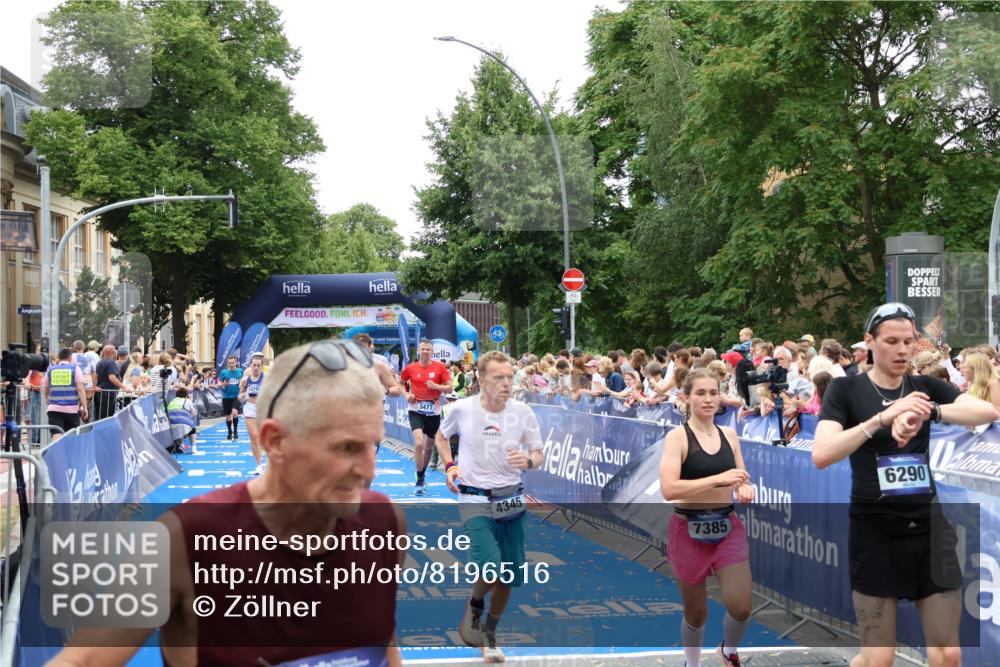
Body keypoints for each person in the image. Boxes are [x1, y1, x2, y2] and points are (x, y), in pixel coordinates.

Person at [47, 340, 405, 667]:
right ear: (274, 441)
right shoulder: (184, 539)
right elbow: (82, 660)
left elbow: (381, 644)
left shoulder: (385, 522)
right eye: (345, 447)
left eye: (372, 444)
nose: (368, 470)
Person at [813, 303, 999, 667]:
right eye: (892, 341)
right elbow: (821, 453)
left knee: (948, 655)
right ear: (870, 342)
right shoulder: (845, 391)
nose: (902, 350)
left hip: (929, 529)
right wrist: (881, 420)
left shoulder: (923, 387)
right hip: (874, 530)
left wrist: (929, 411)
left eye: (909, 341)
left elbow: (987, 413)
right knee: (878, 658)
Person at [434, 351, 544, 663]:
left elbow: (538, 453)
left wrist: (529, 461)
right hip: (474, 498)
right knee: (491, 567)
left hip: (511, 498)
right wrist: (450, 466)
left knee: (508, 576)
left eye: (510, 376)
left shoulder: (523, 412)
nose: (507, 383)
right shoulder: (463, 409)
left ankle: (490, 631)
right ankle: (475, 604)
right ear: (481, 380)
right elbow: (441, 437)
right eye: (499, 377)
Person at [660, 368, 755, 667]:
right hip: (687, 529)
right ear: (686, 397)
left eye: (713, 392)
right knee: (696, 613)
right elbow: (669, 489)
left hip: (727, 527)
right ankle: (693, 662)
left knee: (741, 606)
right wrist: (717, 480)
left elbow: (741, 477)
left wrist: (745, 487)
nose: (708, 399)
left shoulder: (729, 434)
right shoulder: (678, 438)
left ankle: (728, 650)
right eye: (700, 393)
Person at [399, 339, 451, 495]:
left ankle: (422, 473)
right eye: (423, 349)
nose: (425, 352)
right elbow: (400, 383)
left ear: (432, 351)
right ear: (419, 351)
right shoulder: (410, 368)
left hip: (433, 411)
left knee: (429, 447)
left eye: (428, 349)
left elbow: (449, 388)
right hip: (415, 409)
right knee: (420, 443)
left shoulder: (440, 367)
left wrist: (436, 387)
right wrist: (406, 394)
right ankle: (420, 478)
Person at [44, 347, 89, 439]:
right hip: (71, 410)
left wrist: (48, 402)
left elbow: (46, 390)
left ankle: (58, 453)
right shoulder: (75, 369)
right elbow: (80, 389)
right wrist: (85, 408)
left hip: (54, 409)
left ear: (59, 358)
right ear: (70, 358)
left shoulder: (51, 370)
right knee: (71, 437)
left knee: (56, 435)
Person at [238, 353, 267, 474]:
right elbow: (239, 396)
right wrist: (242, 396)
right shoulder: (245, 380)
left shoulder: (266, 378)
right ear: (250, 365)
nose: (255, 368)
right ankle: (259, 465)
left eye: (258, 366)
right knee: (254, 437)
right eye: (254, 365)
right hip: (249, 408)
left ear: (261, 366)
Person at [94, 344, 126, 420]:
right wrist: (124, 387)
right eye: (115, 350)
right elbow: (112, 377)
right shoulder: (111, 363)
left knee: (100, 417)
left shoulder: (100, 362)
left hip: (100, 394)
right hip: (108, 395)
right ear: (113, 352)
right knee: (107, 418)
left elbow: (95, 376)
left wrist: (95, 386)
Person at [218, 355, 243, 441]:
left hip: (236, 396)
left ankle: (235, 432)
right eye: (230, 363)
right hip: (226, 396)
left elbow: (244, 382)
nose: (231, 364)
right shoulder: (224, 372)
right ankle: (229, 432)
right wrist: (224, 384)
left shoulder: (240, 371)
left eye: (233, 363)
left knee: (235, 413)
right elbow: (219, 384)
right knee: (228, 416)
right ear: (228, 364)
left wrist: (241, 383)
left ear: (236, 363)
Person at [167, 386, 198, 453]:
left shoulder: (172, 401)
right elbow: (193, 414)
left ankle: (181, 444)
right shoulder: (187, 401)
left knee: (180, 425)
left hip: (170, 425)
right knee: (192, 428)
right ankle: (193, 447)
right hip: (182, 424)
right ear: (186, 395)